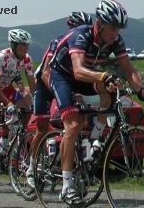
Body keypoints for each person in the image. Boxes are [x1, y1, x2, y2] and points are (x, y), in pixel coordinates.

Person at [47, 0, 144, 206]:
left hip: (86, 77)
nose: (115, 34)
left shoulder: (116, 41)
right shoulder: (81, 35)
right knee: (74, 125)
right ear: (99, 23)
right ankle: (67, 187)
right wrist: (103, 76)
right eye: (112, 28)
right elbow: (77, 70)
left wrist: (140, 89)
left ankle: (96, 138)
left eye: (119, 29)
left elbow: (129, 70)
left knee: (111, 93)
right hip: (63, 76)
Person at [26, 11, 93, 188]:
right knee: (41, 129)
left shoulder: (83, 45)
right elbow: (47, 72)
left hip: (63, 83)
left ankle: (70, 164)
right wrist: (60, 97)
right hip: (45, 83)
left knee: (79, 119)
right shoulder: (58, 41)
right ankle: (31, 168)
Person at [0, 29, 35, 162]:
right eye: (22, 45)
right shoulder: (3, 57)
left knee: (26, 109)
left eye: (27, 45)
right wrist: (9, 104)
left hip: (6, 88)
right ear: (13, 45)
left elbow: (32, 83)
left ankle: (14, 137)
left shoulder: (27, 59)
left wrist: (35, 99)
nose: (25, 48)